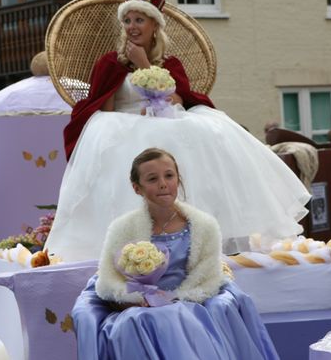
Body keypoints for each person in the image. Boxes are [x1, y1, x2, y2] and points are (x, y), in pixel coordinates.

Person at [46, 0, 311, 261]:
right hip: (125, 125)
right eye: (127, 20)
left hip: (166, 119)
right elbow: (107, 107)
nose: (132, 27)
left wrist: (145, 65)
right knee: (118, 144)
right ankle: (134, 250)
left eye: (139, 20)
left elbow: (178, 100)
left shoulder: (169, 64)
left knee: (208, 130)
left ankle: (196, 241)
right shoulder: (110, 63)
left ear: (154, 26)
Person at [72, 148, 279, 360]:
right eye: (152, 179)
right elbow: (108, 277)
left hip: (188, 300)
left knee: (177, 315)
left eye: (169, 176)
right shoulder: (123, 228)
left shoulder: (202, 226)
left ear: (177, 179)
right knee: (133, 321)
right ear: (137, 188)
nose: (163, 183)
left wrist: (175, 298)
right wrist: (130, 299)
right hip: (139, 305)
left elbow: (208, 276)